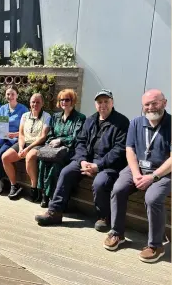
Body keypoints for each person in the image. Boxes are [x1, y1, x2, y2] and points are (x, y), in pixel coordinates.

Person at [35, 89, 129, 231]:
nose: (102, 105)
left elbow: (119, 150)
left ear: (112, 102)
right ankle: (55, 211)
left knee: (100, 182)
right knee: (66, 172)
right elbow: (81, 142)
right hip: (86, 161)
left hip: (107, 164)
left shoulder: (122, 122)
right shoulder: (91, 120)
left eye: (106, 101)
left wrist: (98, 165)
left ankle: (103, 216)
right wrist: (82, 160)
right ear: (95, 104)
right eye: (99, 102)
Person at [103, 89, 171, 263]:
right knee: (118, 188)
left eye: (154, 103)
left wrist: (153, 177)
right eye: (146, 104)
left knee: (152, 198)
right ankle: (117, 233)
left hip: (163, 172)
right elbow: (130, 150)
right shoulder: (135, 123)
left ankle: (156, 245)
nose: (150, 107)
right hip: (138, 168)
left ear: (164, 103)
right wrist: (135, 173)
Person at [37, 89, 86, 207]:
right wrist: (51, 142)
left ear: (72, 101)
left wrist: (60, 140)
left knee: (55, 166)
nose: (64, 102)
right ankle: (44, 194)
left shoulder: (80, 118)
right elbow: (50, 134)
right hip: (53, 148)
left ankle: (53, 196)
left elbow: (76, 137)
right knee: (42, 161)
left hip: (68, 150)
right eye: (62, 100)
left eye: (67, 99)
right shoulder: (56, 116)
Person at [1, 93, 51, 201]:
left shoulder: (47, 117)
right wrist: (20, 147)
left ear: (42, 103)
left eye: (38, 102)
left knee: (29, 157)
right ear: (30, 103)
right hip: (24, 144)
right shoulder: (25, 116)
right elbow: (22, 134)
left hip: (38, 144)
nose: (35, 104)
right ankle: (14, 185)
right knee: (5, 157)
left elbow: (43, 137)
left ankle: (34, 187)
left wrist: (27, 149)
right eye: (33, 102)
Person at [0, 85, 28, 195]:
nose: (10, 96)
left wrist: (16, 134)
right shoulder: (2, 108)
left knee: (1, 152)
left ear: (17, 95)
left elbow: (26, 130)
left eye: (12, 94)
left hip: (15, 138)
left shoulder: (23, 110)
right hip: (2, 135)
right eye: (8, 94)